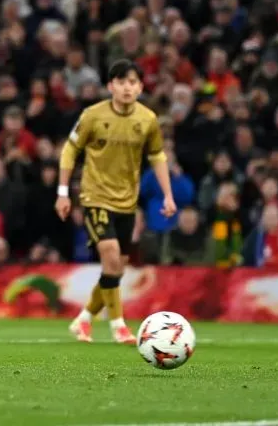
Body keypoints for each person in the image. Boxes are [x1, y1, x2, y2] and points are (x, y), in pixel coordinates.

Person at [56, 59, 176, 344]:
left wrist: (168, 194)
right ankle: (119, 326)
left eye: (132, 83)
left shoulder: (147, 120)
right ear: (111, 86)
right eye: (121, 82)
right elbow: (70, 151)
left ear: (140, 87)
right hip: (95, 197)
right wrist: (62, 193)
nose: (127, 88)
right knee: (110, 256)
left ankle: (84, 319)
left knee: (116, 268)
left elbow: (157, 156)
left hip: (127, 203)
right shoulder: (92, 116)